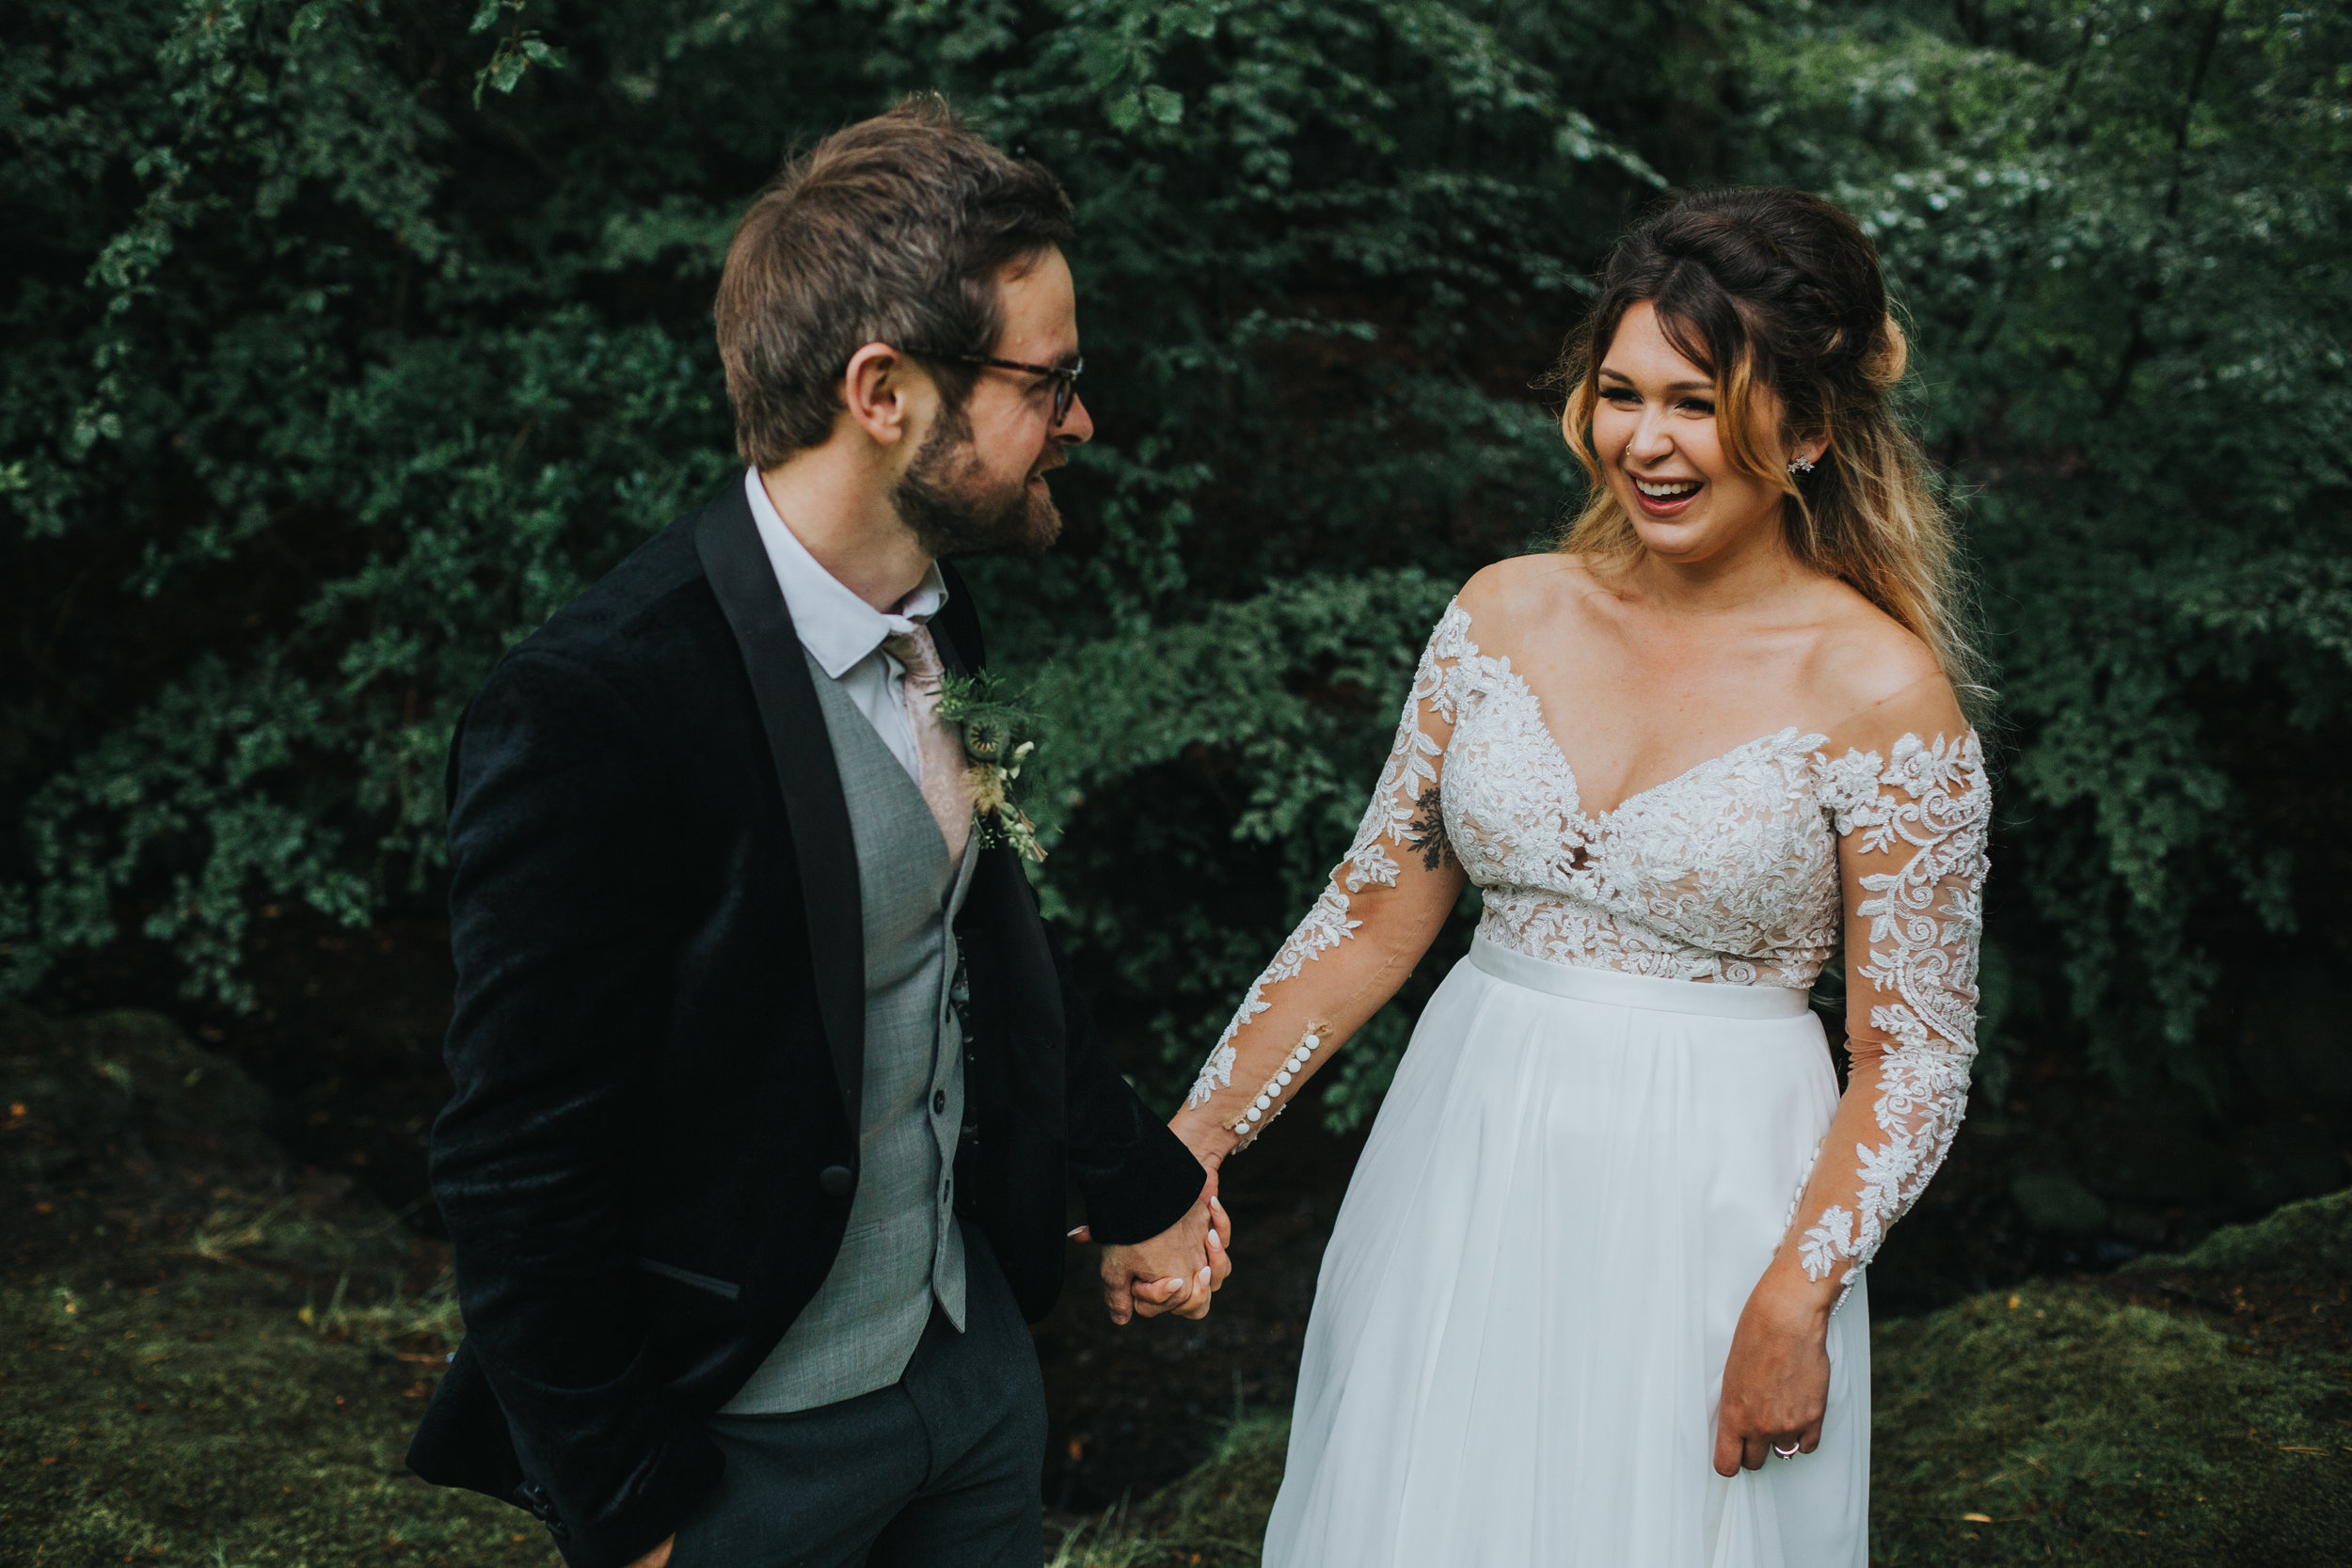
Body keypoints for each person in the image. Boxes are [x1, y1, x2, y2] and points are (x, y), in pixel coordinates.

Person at [405, 99, 1231, 1568]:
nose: (1084, 421)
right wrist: (628, 1510)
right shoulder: (597, 705)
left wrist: (1138, 1182)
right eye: (1053, 383)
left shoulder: (934, 604)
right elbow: (516, 1162)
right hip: (737, 1448)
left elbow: (976, 931)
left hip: (970, 1381)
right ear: (885, 390)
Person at [1172, 186, 1991, 1566]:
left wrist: (1795, 1300)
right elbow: (1376, 909)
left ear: (1805, 429)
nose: (1649, 443)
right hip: (1465, 1146)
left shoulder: (1885, 697)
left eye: (1699, 402)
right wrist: (1195, 1139)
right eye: (1623, 394)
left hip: (1717, 1199)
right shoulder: (1504, 611)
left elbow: (1911, 1053)